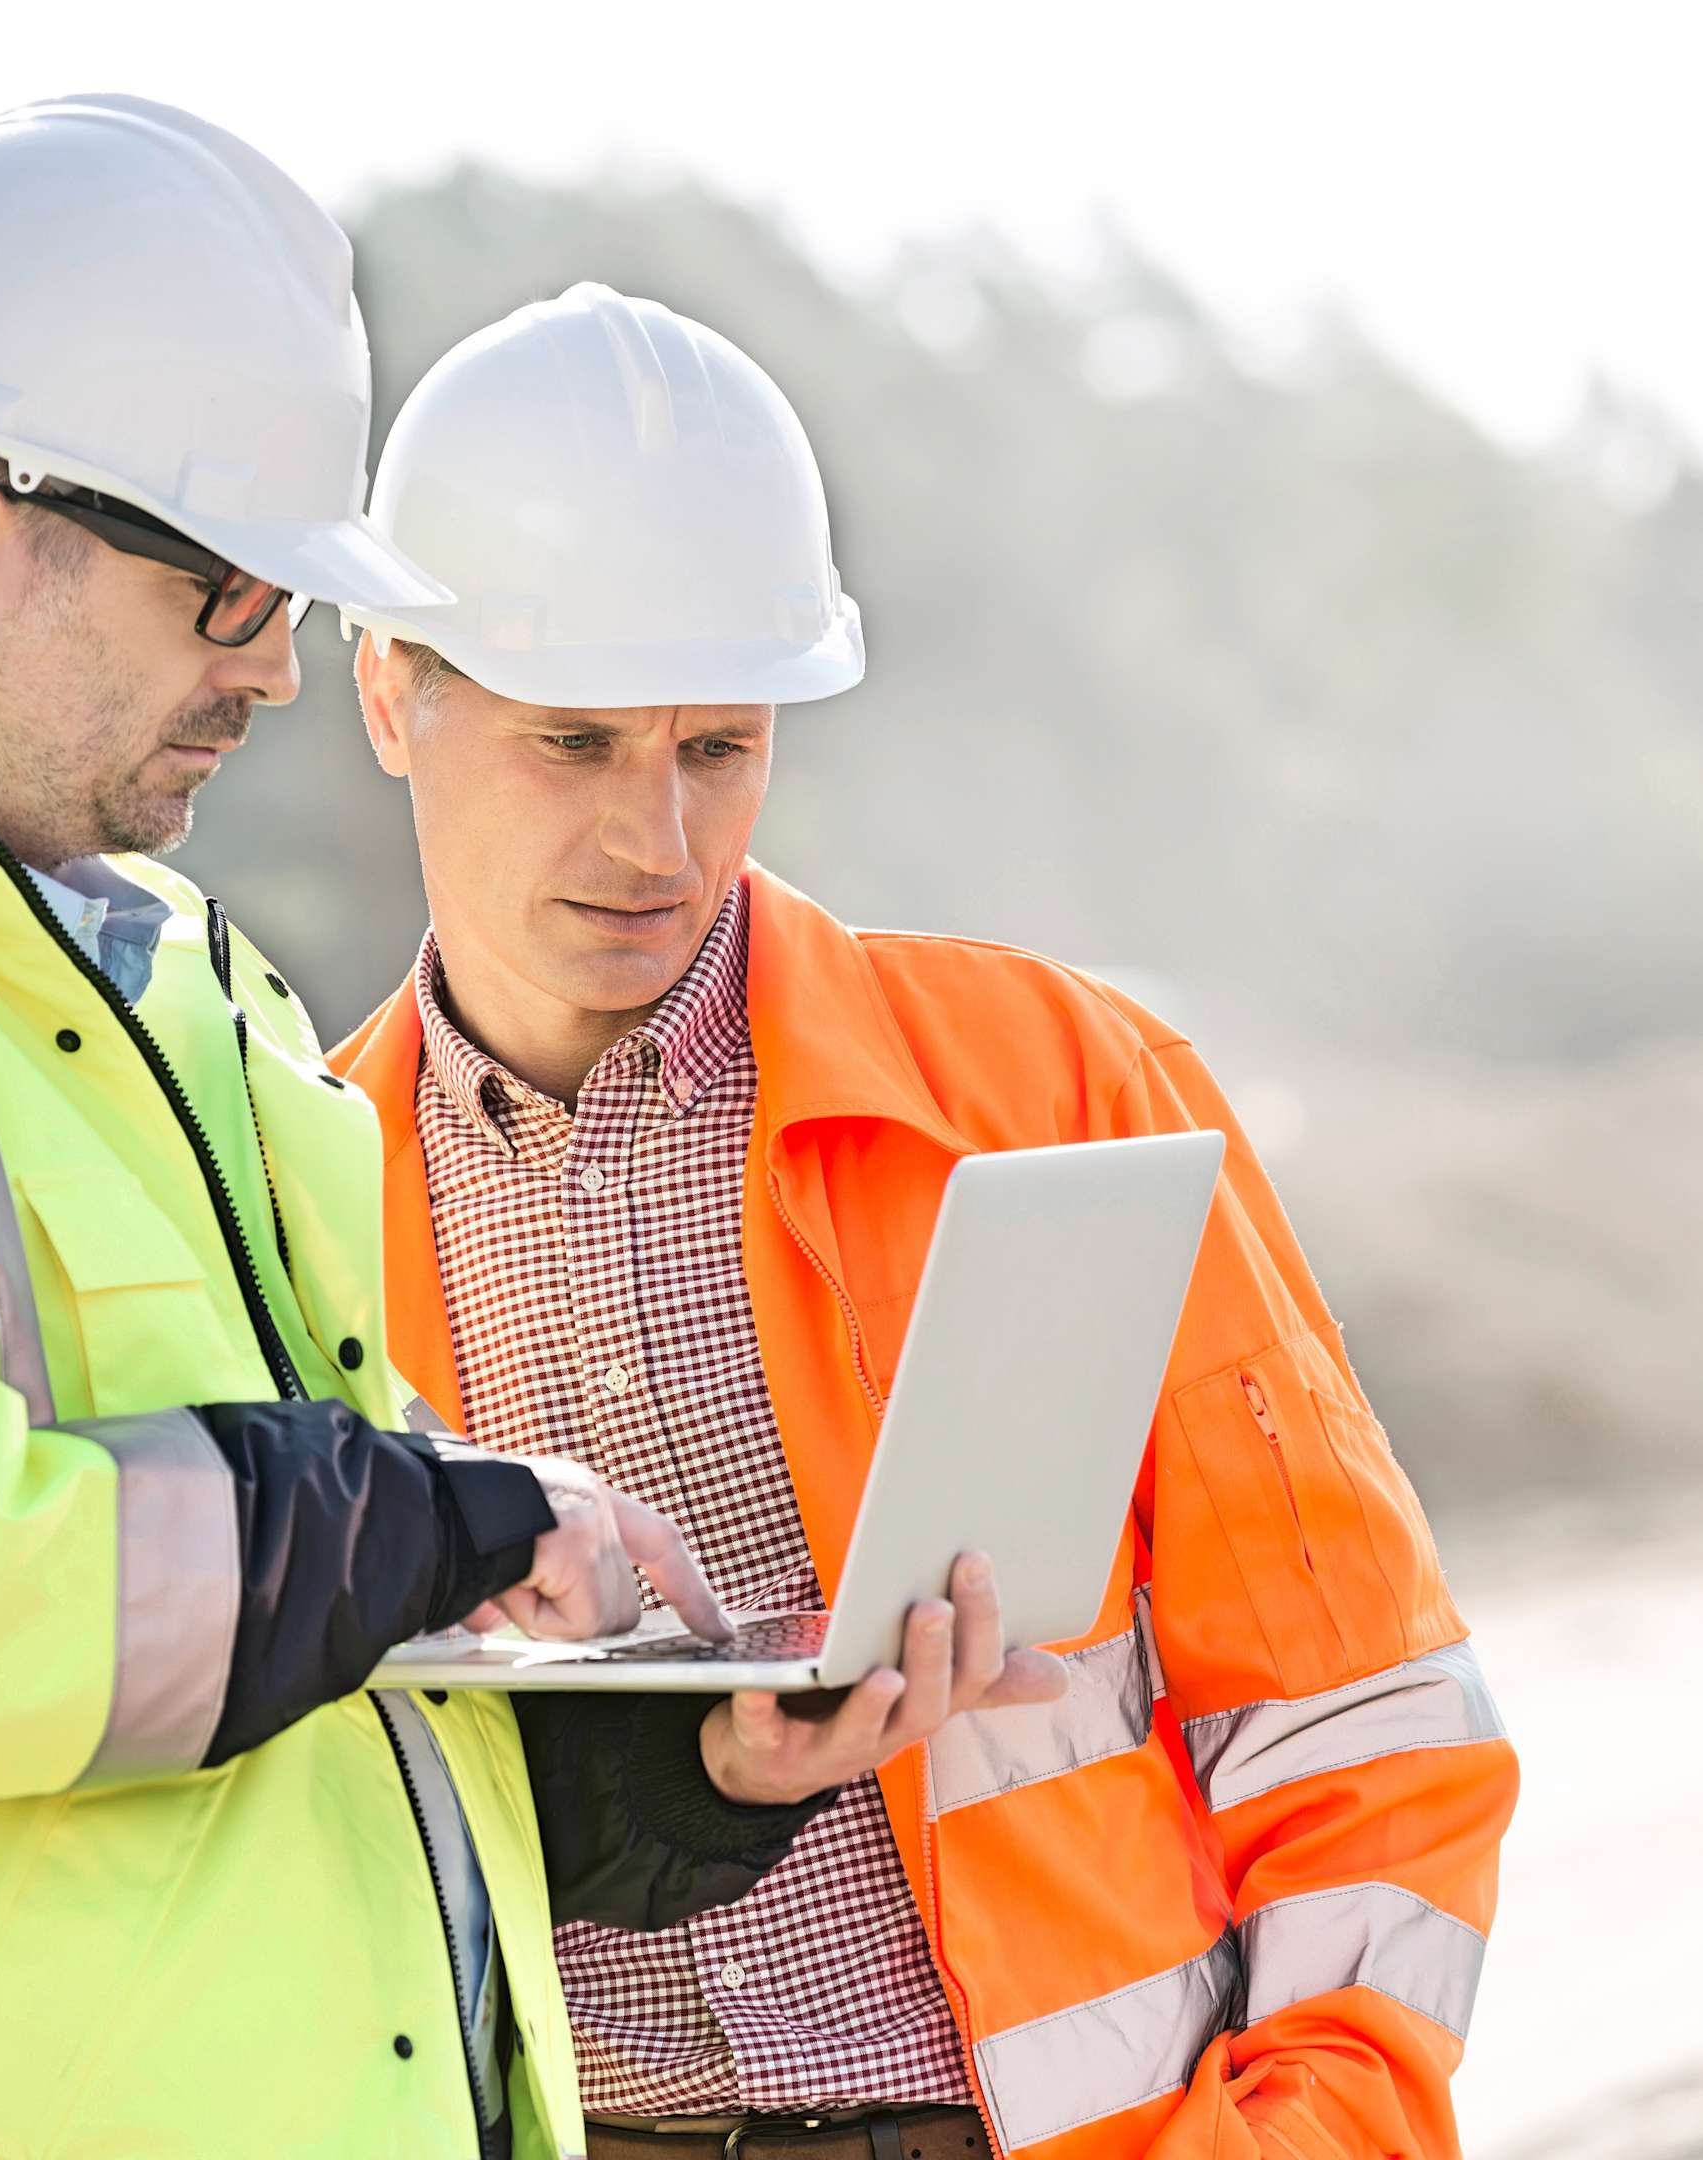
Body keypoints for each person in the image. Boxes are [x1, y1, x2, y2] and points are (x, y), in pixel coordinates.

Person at [0, 108, 966, 2160]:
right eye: (231, 594)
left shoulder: (186, 1011)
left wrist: (665, 1784)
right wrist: (425, 1516)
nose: (272, 668)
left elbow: (259, 1694)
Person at [332, 283, 1520, 2160]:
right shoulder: (294, 1200)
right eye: (575, 744)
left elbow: (1361, 1720)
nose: (658, 838)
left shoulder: (1056, 1087)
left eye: (717, 746)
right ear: (390, 689)